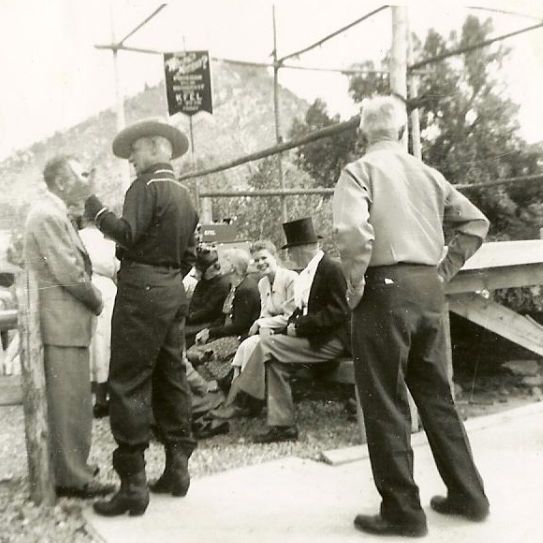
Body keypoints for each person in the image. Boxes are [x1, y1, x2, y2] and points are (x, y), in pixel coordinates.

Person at [332, 95, 490, 538]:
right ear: (402, 131)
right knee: (437, 395)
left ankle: (402, 511)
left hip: (382, 290)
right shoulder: (429, 174)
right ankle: (469, 495)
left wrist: (355, 285)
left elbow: (352, 232)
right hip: (427, 288)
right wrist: (442, 271)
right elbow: (475, 223)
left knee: (384, 400)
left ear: (362, 132)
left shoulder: (359, 171)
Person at [84, 119, 199, 517]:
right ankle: (178, 469)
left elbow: (128, 233)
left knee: (129, 380)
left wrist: (96, 209)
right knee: (171, 376)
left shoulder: (144, 186)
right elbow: (190, 256)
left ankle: (133, 486)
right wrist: (167, 281)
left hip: (141, 291)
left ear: (153, 147)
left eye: (134, 151)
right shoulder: (185, 194)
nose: (131, 159)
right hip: (172, 290)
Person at [213, 218, 351, 443]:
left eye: (292, 250)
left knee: (265, 344)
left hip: (330, 342)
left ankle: (242, 401)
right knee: (275, 364)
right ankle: (283, 427)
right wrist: (290, 327)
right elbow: (302, 309)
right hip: (314, 338)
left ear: (305, 247)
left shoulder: (331, 268)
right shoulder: (310, 272)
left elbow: (339, 312)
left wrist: (301, 326)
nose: (290, 256)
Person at [24, 155, 114, 498]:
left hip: (65, 323)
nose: (86, 180)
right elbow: (69, 272)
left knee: (73, 401)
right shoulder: (48, 215)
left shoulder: (53, 212)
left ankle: (73, 468)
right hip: (60, 323)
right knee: (67, 404)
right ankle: (72, 478)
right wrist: (97, 299)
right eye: (81, 175)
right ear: (61, 182)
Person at [186, 248, 260, 381]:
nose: (217, 265)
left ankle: (212, 387)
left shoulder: (245, 289)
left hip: (240, 338)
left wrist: (211, 332)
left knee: (198, 355)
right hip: (229, 333)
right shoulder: (234, 285)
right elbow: (223, 316)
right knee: (194, 352)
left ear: (233, 267)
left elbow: (240, 325)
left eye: (223, 261)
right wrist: (207, 331)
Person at [229, 240, 298, 378]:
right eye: (256, 260)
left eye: (264, 258)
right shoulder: (263, 283)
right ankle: (240, 383)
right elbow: (265, 313)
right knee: (247, 345)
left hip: (290, 331)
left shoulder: (290, 278)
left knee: (253, 346)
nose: (260, 263)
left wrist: (261, 323)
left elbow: (291, 316)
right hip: (271, 331)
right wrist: (263, 324)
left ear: (274, 256)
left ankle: (248, 384)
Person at [79, 214, 119, 418]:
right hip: (105, 290)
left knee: (92, 344)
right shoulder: (108, 239)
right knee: (105, 344)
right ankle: (104, 398)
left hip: (84, 289)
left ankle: (90, 399)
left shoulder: (77, 237)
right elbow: (114, 267)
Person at [184, 246, 231, 348]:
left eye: (197, 269)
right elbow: (194, 305)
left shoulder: (222, 285)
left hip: (209, 324)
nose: (195, 272)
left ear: (209, 269)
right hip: (195, 321)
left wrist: (187, 316)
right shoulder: (202, 283)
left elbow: (209, 311)